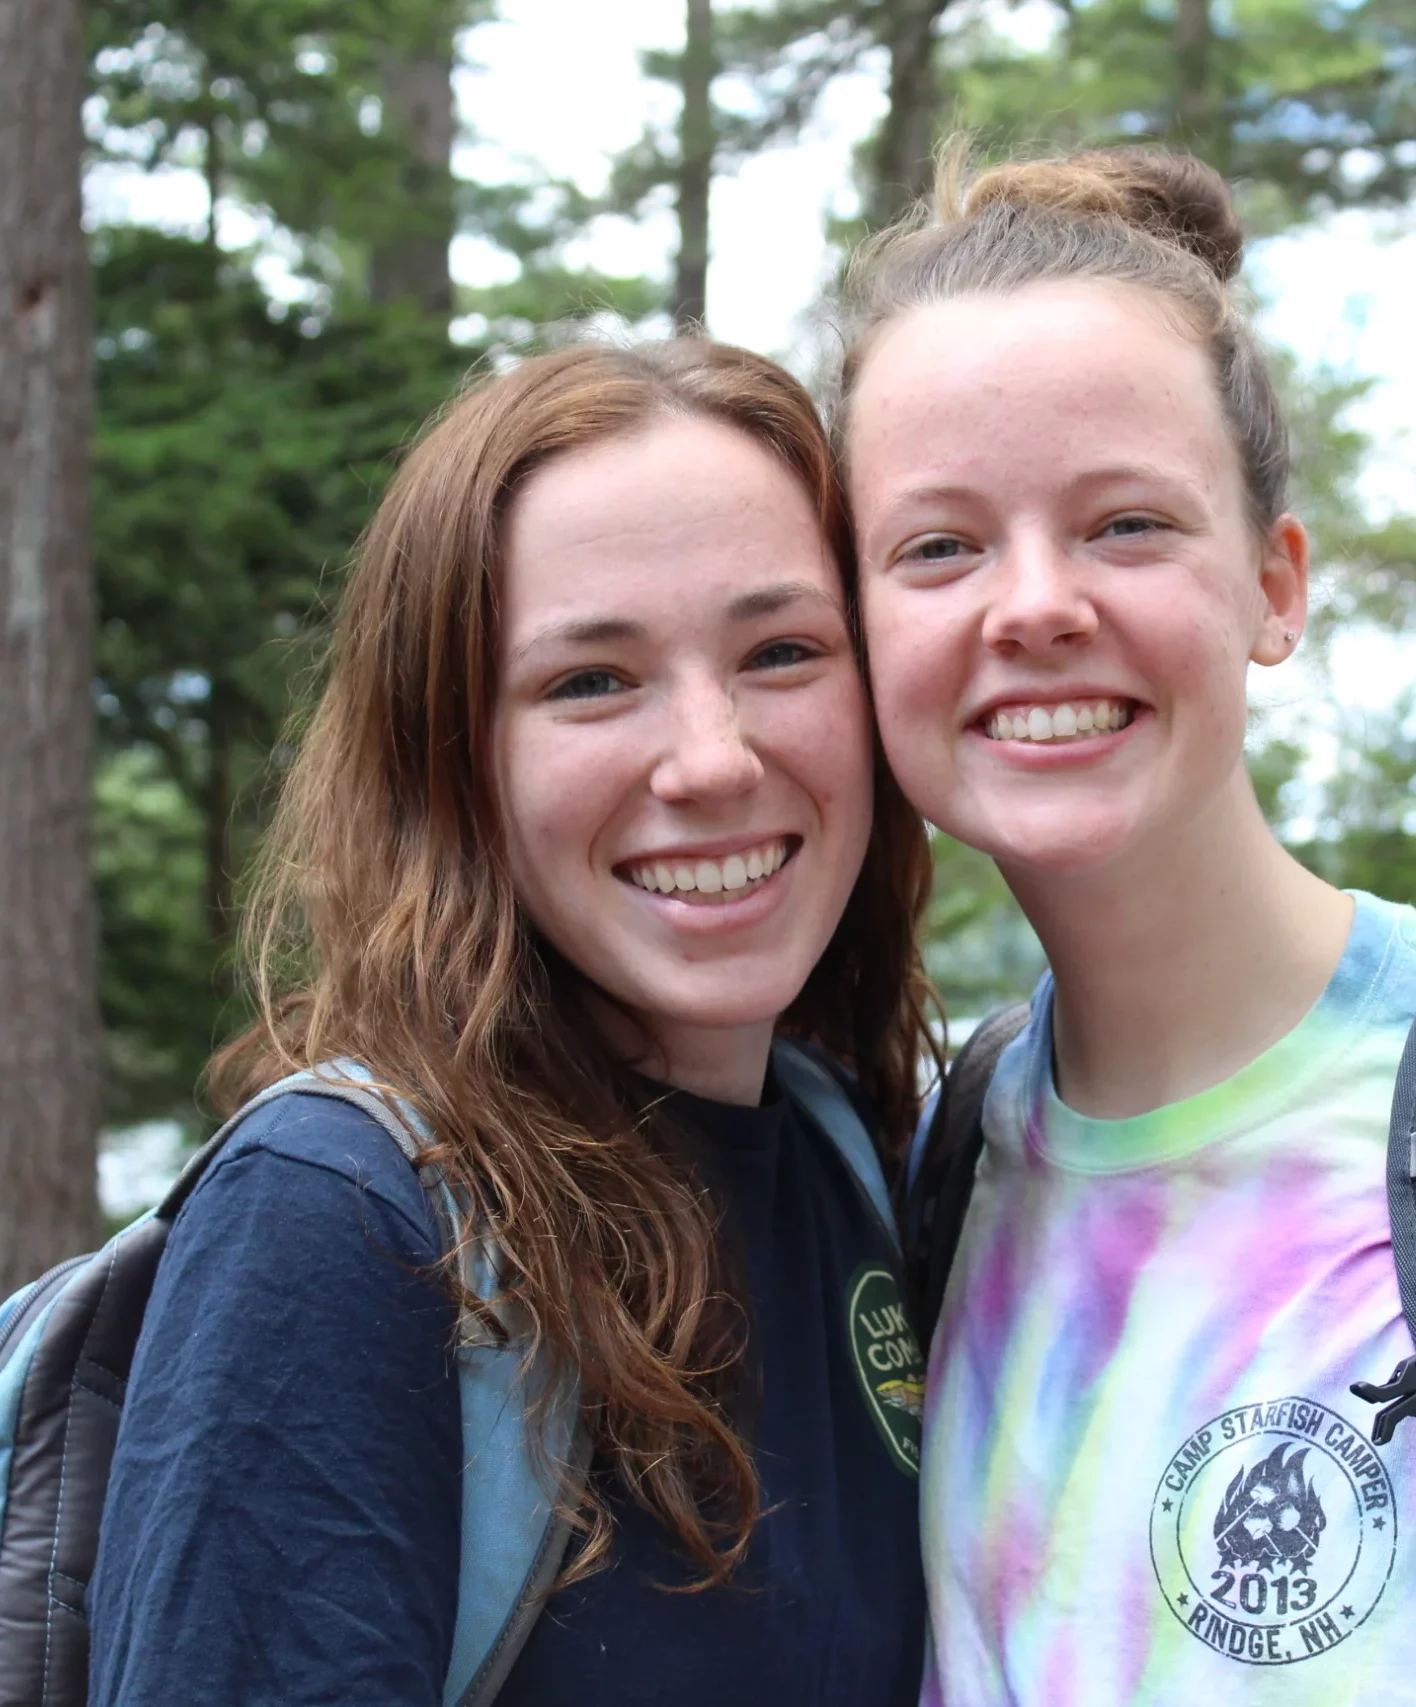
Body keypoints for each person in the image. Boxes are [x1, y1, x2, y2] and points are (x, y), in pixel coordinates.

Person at [835, 147, 1416, 1703]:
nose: (1032, 603)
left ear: (1274, 583)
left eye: (1125, 524)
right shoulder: (943, 1168)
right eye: (939, 544)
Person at [88, 338, 936, 1707]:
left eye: (781, 651)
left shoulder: (857, 1159)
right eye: (591, 680)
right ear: (455, 764)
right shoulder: (345, 1225)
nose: (713, 757)